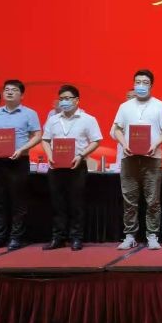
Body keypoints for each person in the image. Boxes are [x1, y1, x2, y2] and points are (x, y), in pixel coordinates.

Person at [113, 69, 162, 250]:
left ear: (151, 85)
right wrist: (124, 144)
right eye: (138, 82)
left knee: (152, 200)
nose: (141, 85)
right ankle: (130, 236)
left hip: (152, 159)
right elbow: (117, 129)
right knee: (129, 200)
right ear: (133, 84)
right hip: (129, 158)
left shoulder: (160, 106)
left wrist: (156, 144)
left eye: (145, 83)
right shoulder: (125, 107)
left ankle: (152, 235)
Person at [40, 85, 102, 251]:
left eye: (67, 98)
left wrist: (81, 155)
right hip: (55, 166)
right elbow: (45, 139)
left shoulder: (88, 119)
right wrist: (49, 155)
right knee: (57, 203)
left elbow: (96, 140)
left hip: (77, 165)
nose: (64, 102)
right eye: (61, 99)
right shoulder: (53, 119)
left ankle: (76, 238)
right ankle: (58, 238)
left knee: (76, 203)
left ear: (76, 100)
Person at [0, 79, 42, 251]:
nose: (9, 92)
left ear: (21, 95)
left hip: (18, 161)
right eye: (7, 89)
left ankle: (16, 237)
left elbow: (38, 135)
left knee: (18, 202)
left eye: (14, 90)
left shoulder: (29, 113)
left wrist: (22, 149)